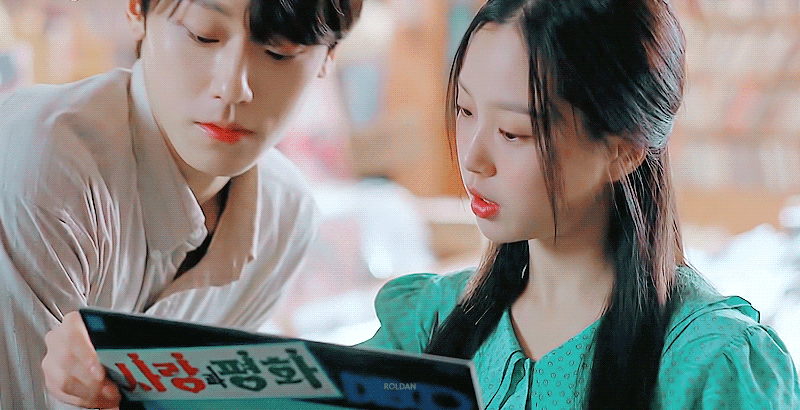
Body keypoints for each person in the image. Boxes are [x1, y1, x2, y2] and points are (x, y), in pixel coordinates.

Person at [361, 0, 800, 408]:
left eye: (513, 132)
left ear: (623, 150)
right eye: (464, 110)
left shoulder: (710, 365)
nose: (473, 158)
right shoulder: (427, 323)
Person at [0, 0, 361, 408]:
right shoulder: (41, 165)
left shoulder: (284, 217)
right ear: (137, 11)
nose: (233, 87)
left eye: (280, 52)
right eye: (203, 35)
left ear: (328, 57)